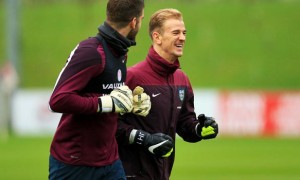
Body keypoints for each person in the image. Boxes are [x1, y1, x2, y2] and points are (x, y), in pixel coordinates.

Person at [48, 0, 146, 179]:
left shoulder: (120, 50)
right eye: (141, 18)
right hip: (75, 162)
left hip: (110, 160)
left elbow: (106, 93)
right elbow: (58, 99)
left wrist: (129, 102)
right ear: (134, 22)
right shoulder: (91, 51)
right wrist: (105, 102)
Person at [116, 8, 219, 179]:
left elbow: (185, 123)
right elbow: (109, 125)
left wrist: (199, 128)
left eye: (184, 33)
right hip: (129, 175)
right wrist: (144, 139)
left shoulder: (182, 79)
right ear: (157, 37)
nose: (182, 38)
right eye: (176, 33)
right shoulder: (132, 77)